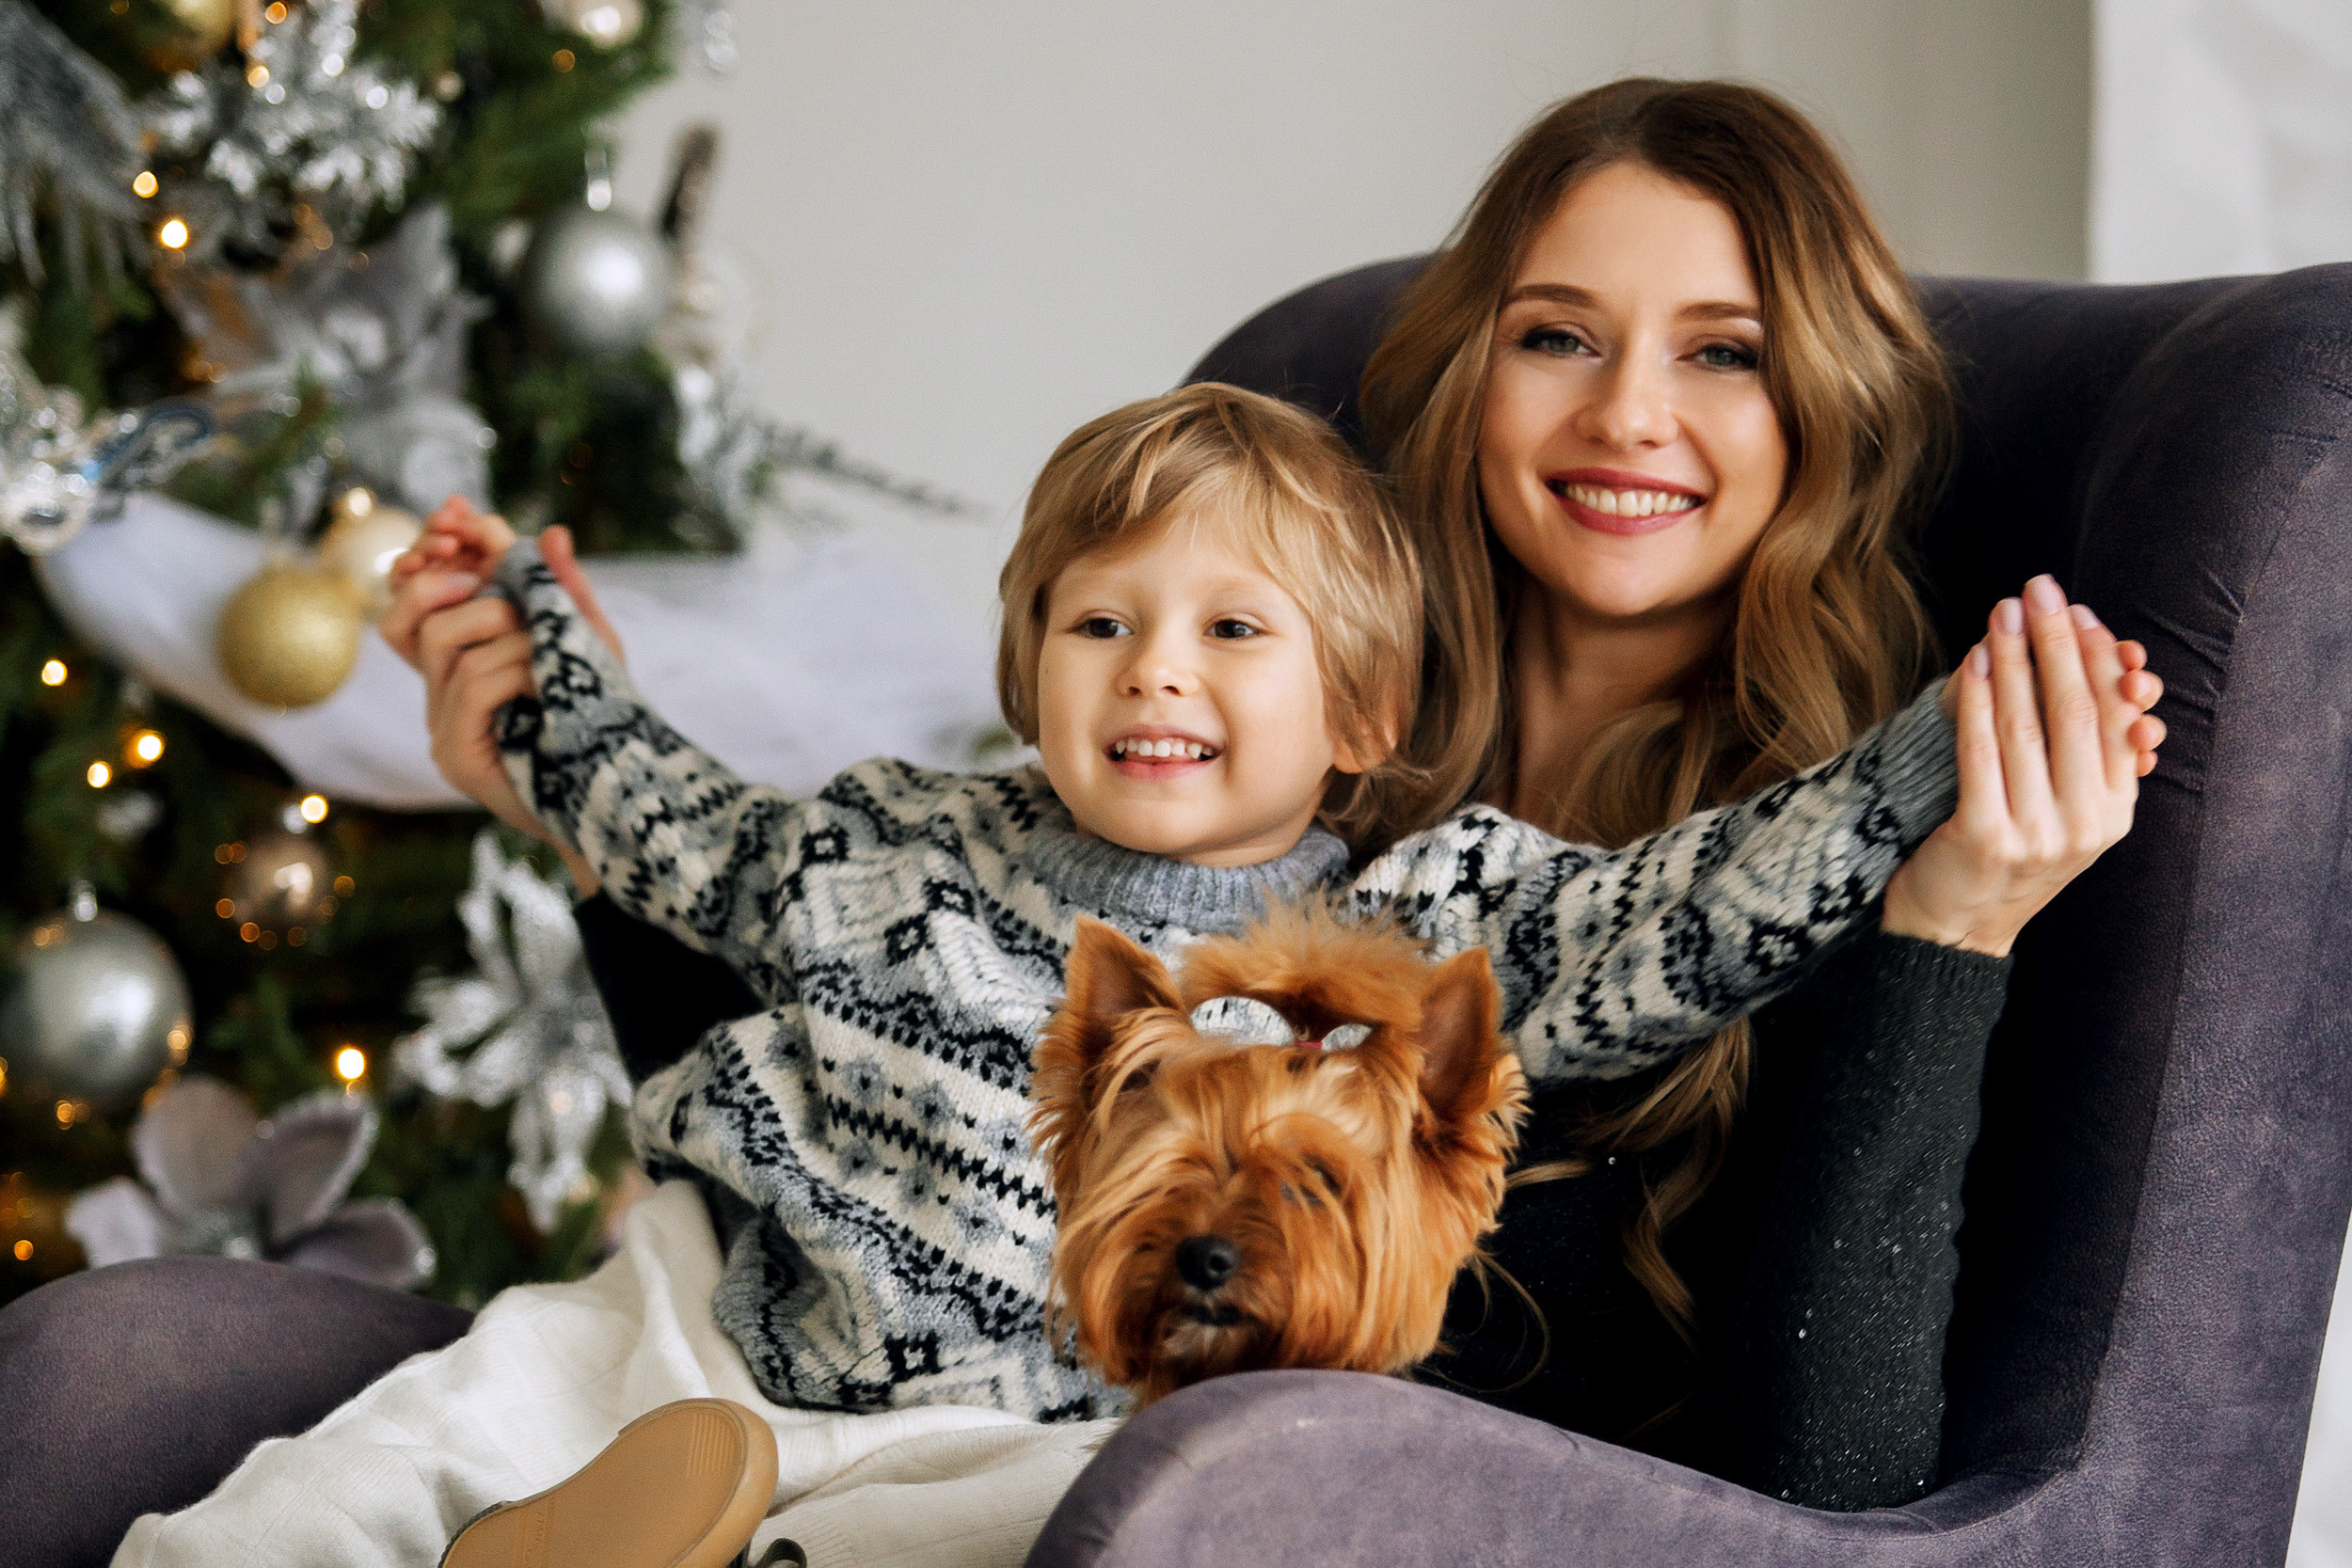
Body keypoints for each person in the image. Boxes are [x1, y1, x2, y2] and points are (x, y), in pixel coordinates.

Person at [1353, 76, 2166, 1505]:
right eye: (1557, 337)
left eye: (1723, 353)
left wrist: (1951, 932)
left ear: (1822, 406)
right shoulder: (1300, 734)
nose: (1628, 414)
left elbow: (1831, 1481)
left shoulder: (1862, 842)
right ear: (1467, 375)